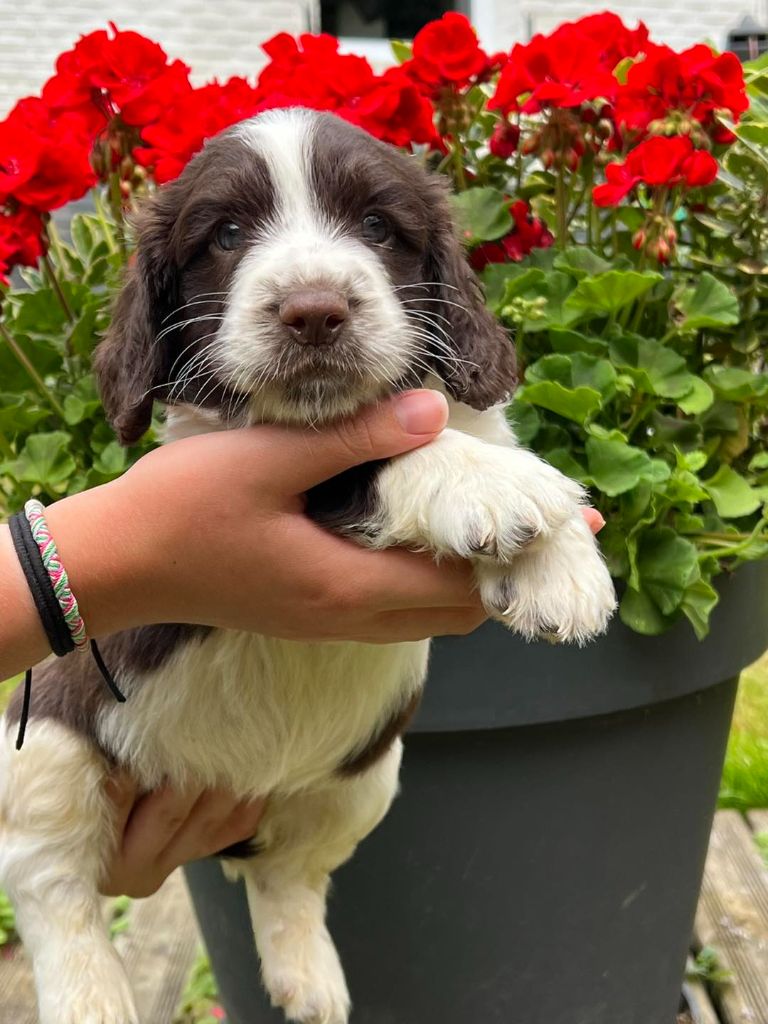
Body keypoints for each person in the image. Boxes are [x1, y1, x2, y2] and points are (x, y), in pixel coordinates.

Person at [0, 390, 604, 897]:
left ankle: (291, 894)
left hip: (322, 750)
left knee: (367, 786)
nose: (311, 303)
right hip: (131, 731)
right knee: (49, 775)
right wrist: (82, 565)